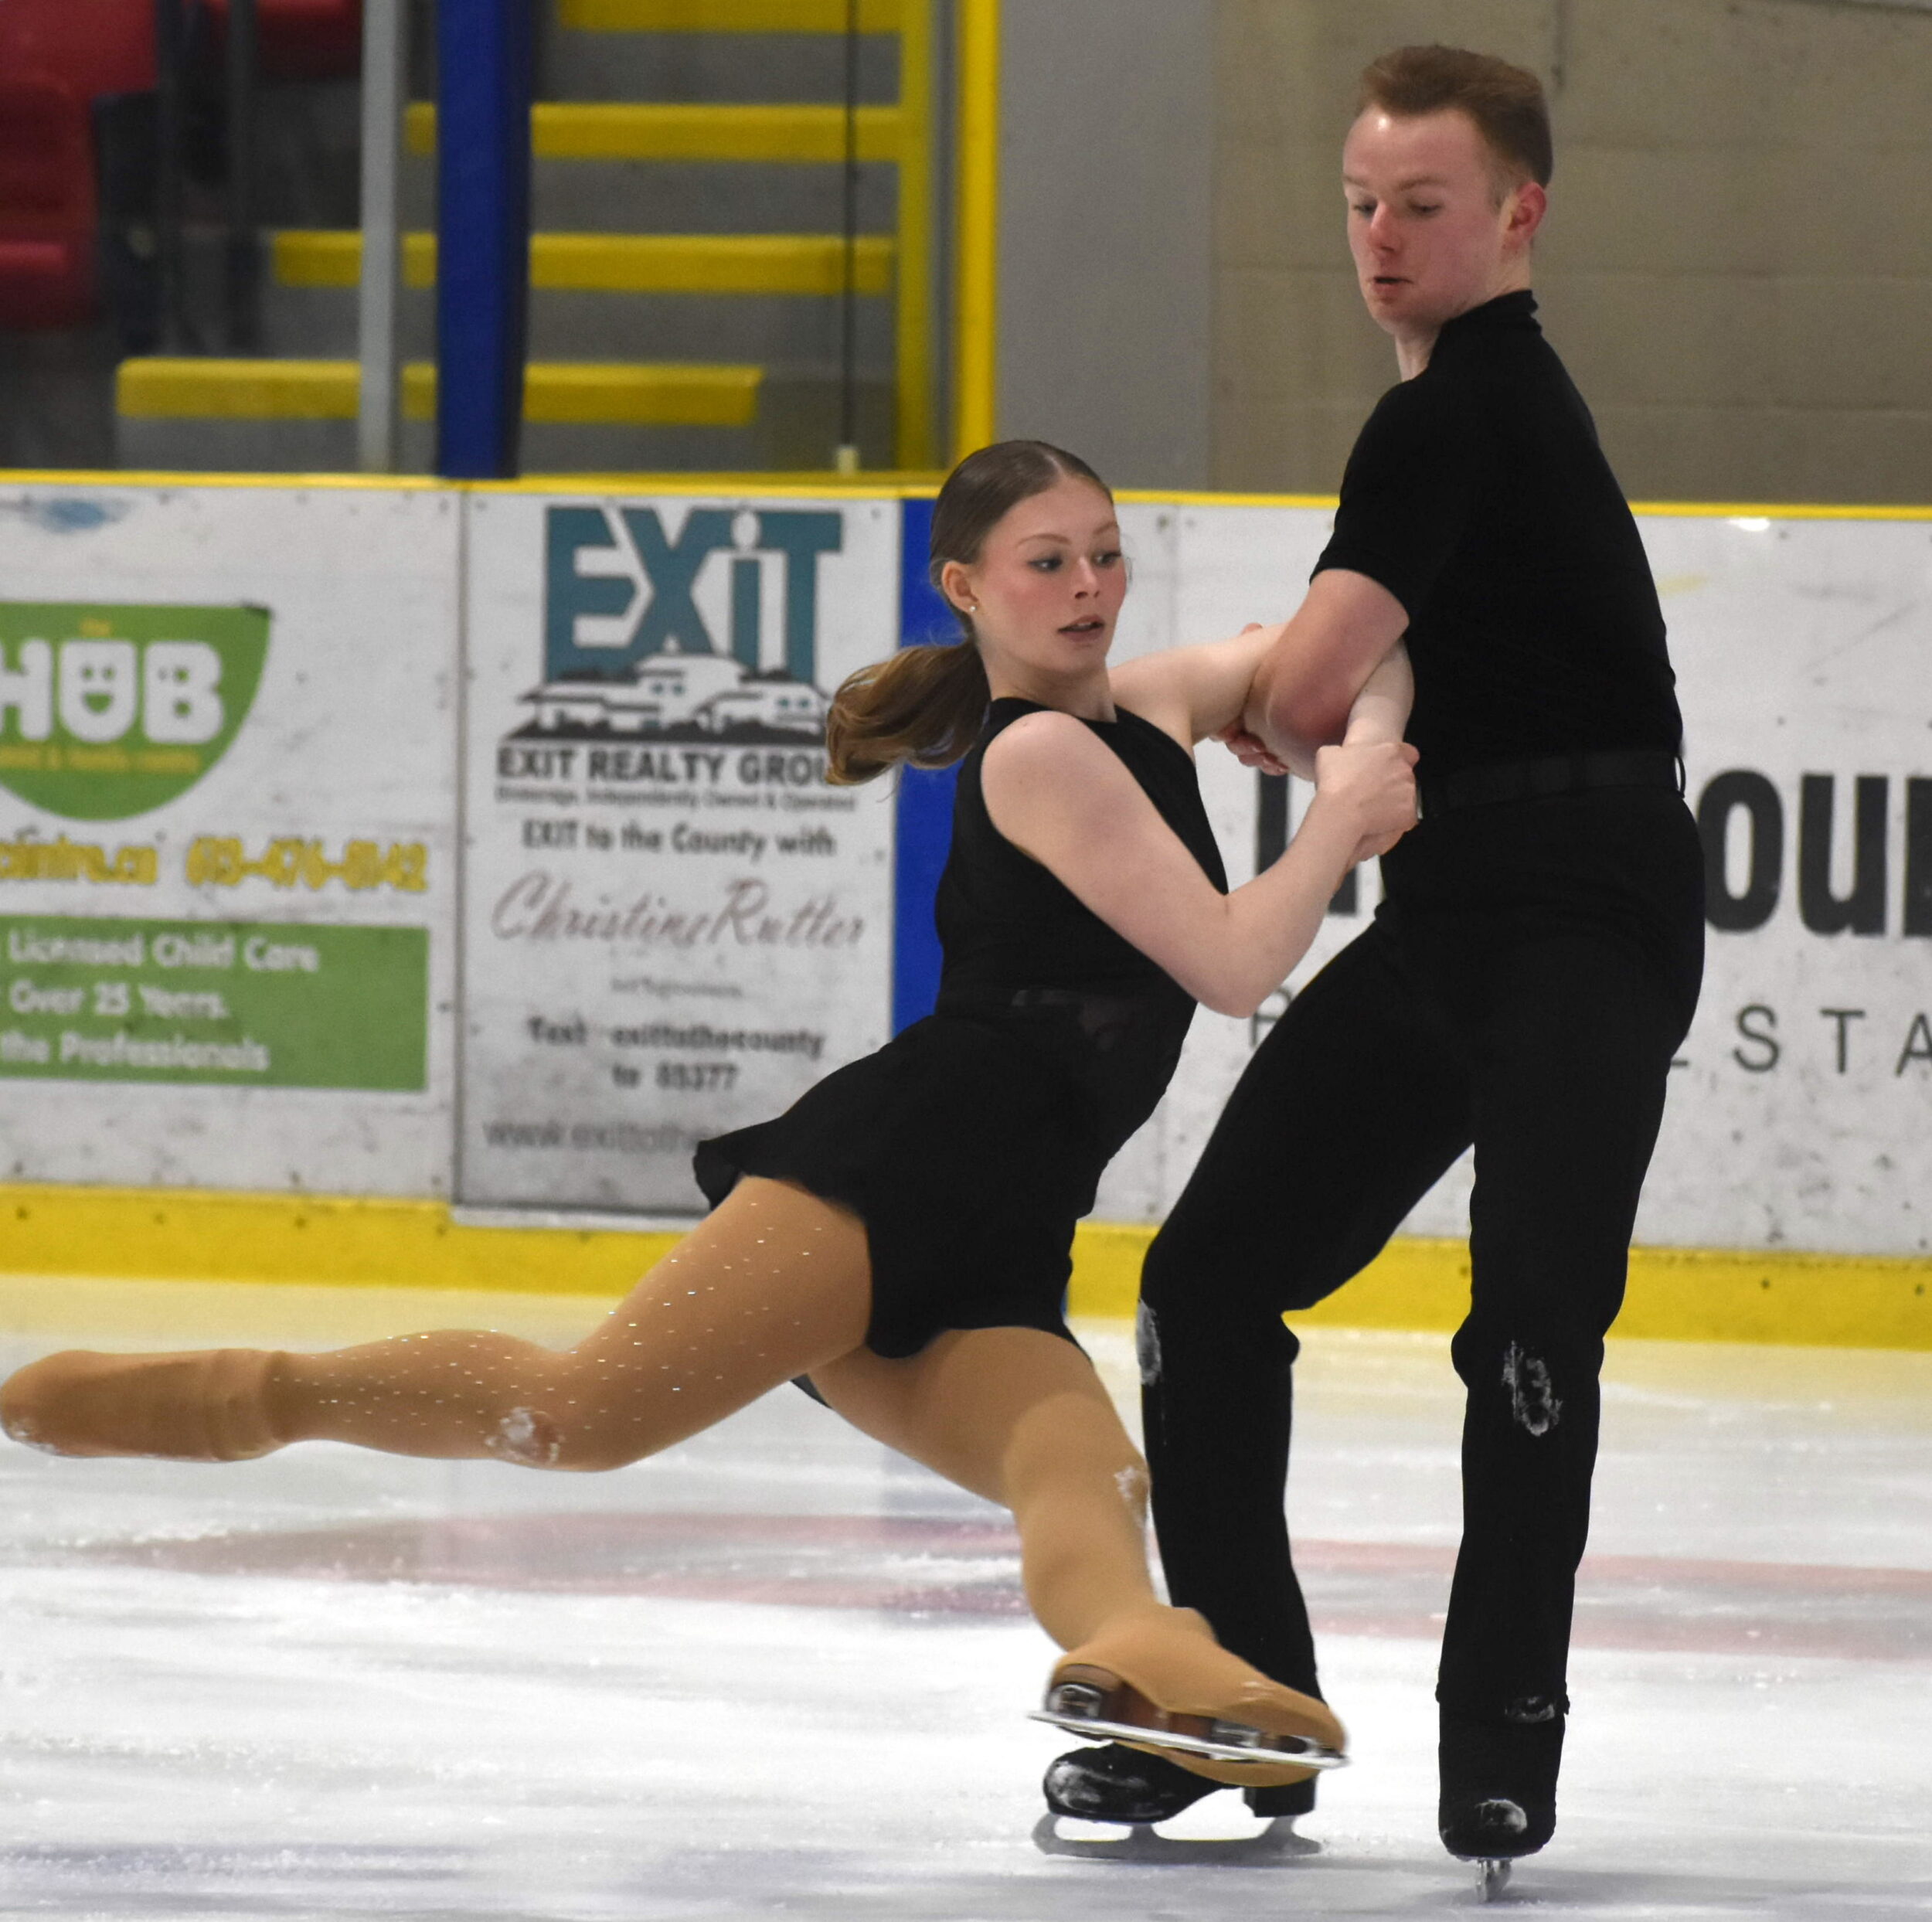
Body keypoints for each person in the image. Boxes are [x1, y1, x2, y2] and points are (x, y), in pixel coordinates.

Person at [0, 441, 1417, 1801]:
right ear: (966, 588)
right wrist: (1339, 813)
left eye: (1104, 555)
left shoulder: (1151, 708)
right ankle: (210, 1397)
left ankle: (1145, 1661)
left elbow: (1331, 650)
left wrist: (1353, 713)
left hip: (1011, 1211)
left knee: (1089, 1478)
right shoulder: (1039, 755)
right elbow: (1234, 966)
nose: (1089, 587)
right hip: (908, 1162)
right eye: (1046, 563)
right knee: (572, 1418)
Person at [1046, 48, 1705, 1870]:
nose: (1380, 237)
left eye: (1421, 202)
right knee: (1204, 1278)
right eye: (1357, 202)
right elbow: (1351, 682)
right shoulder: (1439, 416)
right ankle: (1245, 1705)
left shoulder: (1461, 403)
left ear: (1518, 213)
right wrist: (1310, 695)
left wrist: (1253, 693)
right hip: (1454, 908)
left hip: (1585, 907)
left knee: (1528, 1325)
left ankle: (1500, 1738)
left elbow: (1319, 686)